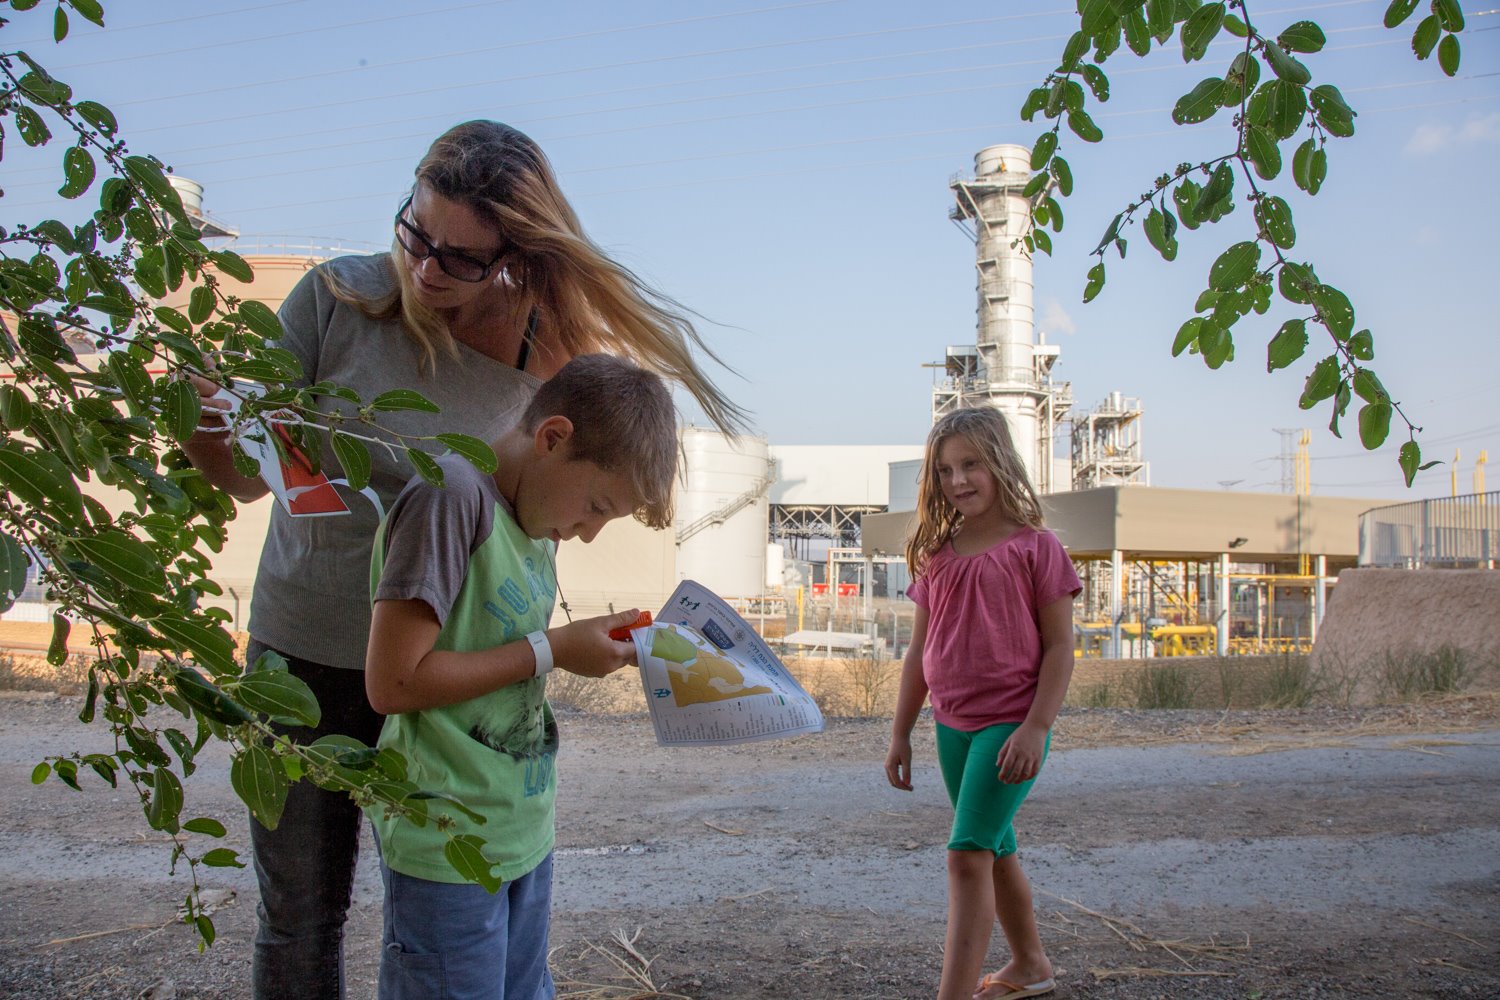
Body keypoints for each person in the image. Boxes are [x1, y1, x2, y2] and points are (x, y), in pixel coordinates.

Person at [182, 120, 743, 1000]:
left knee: (446, 929)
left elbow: (563, 498)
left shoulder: (547, 356)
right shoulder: (335, 298)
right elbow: (238, 481)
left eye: (461, 257)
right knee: (299, 919)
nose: (425, 268)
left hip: (448, 684)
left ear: (514, 256)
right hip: (306, 659)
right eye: (415, 231)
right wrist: (200, 410)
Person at [363, 354, 673, 1000]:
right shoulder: (451, 498)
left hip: (521, 827)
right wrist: (554, 650)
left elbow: (506, 645)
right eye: (594, 507)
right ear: (551, 438)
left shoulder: (535, 524)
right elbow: (391, 682)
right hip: (445, 839)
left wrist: (592, 645)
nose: (587, 535)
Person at [883, 407, 1081, 1000]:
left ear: (999, 462)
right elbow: (919, 650)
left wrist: (1036, 727)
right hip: (951, 726)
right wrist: (900, 734)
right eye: (945, 470)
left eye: (970, 464)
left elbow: (1062, 647)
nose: (958, 480)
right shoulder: (937, 555)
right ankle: (1031, 965)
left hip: (1012, 725)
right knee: (995, 851)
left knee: (966, 856)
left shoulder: (1036, 548)